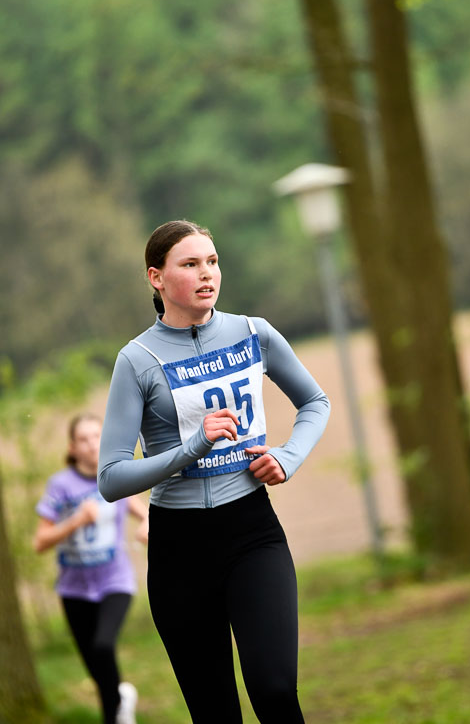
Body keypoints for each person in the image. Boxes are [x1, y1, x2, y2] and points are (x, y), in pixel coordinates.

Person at [98, 219, 330, 723]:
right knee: (215, 712)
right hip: (179, 551)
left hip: (251, 533)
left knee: (273, 690)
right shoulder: (136, 360)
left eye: (212, 261)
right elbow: (111, 478)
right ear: (156, 278)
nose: (207, 274)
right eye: (190, 264)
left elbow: (315, 401)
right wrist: (193, 447)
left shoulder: (253, 333)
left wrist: (287, 457)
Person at [34, 413, 148, 724]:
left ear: (105, 438)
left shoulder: (114, 477)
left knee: (103, 645)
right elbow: (40, 541)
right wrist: (74, 522)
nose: (91, 445)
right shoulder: (60, 486)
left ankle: (116, 711)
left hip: (115, 581)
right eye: (83, 439)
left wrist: (148, 524)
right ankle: (117, 705)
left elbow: (147, 513)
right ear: (72, 447)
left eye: (96, 436)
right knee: (97, 669)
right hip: (73, 589)